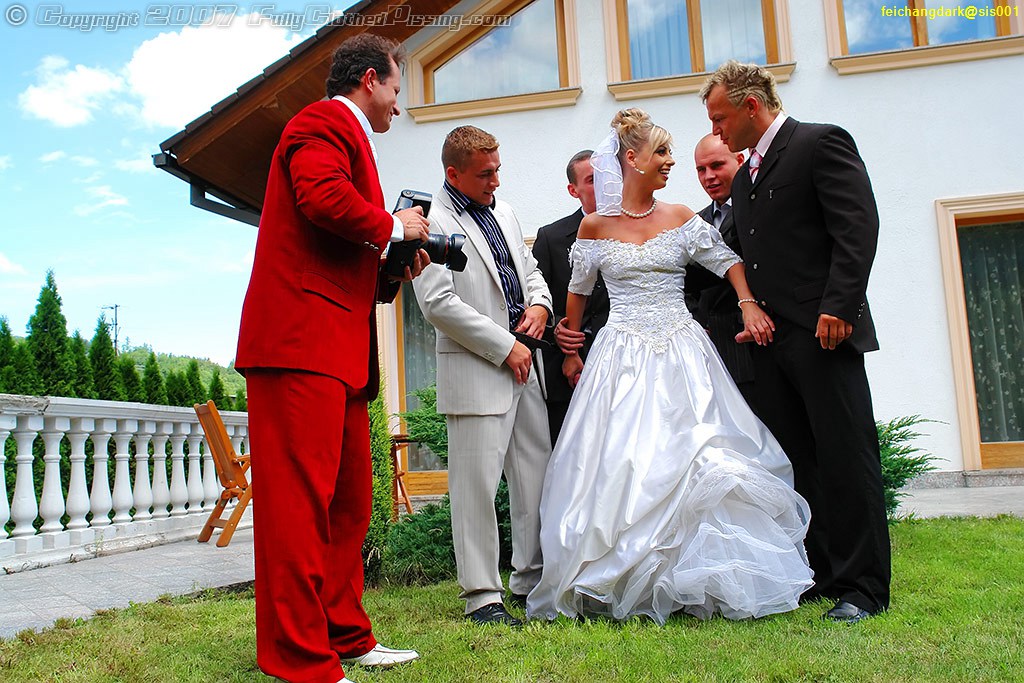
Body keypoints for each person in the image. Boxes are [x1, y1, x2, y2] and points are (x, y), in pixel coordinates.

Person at [527, 108, 813, 624]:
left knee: (701, 450)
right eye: (661, 152)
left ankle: (705, 574)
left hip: (683, 350)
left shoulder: (681, 216)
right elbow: (578, 290)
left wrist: (748, 302)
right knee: (620, 460)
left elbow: (728, 261)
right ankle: (623, 574)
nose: (670, 161)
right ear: (631, 158)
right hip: (620, 355)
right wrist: (570, 350)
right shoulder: (594, 226)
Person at [235, 34, 430, 683]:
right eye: (397, 89)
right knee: (297, 506)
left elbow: (341, 250)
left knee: (349, 505)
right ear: (370, 79)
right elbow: (319, 198)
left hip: (341, 354)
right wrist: (394, 225)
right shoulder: (320, 122)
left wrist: (393, 265)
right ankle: (297, 658)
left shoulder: (355, 140)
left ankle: (345, 635)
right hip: (298, 344)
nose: (399, 104)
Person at [701, 60, 890, 624]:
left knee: (846, 456)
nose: (717, 132)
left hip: (825, 333)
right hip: (772, 344)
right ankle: (825, 574)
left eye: (720, 119)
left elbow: (857, 227)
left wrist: (840, 307)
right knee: (802, 462)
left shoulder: (819, 143)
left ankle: (863, 588)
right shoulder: (744, 179)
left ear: (751, 106)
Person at [412, 125, 553, 627]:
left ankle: (531, 582)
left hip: (527, 366)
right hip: (477, 371)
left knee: (535, 479)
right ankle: (482, 597)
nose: (496, 181)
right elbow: (437, 303)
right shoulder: (429, 221)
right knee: (475, 490)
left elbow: (530, 271)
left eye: (498, 170)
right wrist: (504, 346)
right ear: (454, 174)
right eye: (485, 174)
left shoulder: (506, 211)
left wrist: (540, 306)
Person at [532, 151, 610, 446]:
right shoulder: (551, 237)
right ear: (573, 190)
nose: (601, 184)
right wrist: (557, 333)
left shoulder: (636, 229)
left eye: (605, 176)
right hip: (568, 374)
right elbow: (535, 300)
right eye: (591, 180)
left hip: (622, 365)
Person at [683, 134, 760, 408]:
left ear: (739, 160)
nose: (709, 177)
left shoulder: (757, 209)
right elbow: (685, 280)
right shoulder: (694, 222)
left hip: (754, 344)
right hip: (710, 353)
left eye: (717, 165)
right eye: (701, 170)